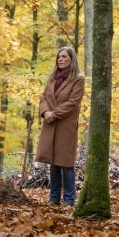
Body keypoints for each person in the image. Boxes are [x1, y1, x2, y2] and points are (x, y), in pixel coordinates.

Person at [36, 46, 85, 206]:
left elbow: (73, 102)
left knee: (66, 163)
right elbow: (43, 97)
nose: (61, 59)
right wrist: (45, 112)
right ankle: (54, 198)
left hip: (66, 125)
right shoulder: (52, 78)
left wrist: (53, 114)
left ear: (72, 59)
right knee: (53, 162)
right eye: (59, 57)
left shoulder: (78, 78)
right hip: (50, 124)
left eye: (64, 57)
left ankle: (69, 200)